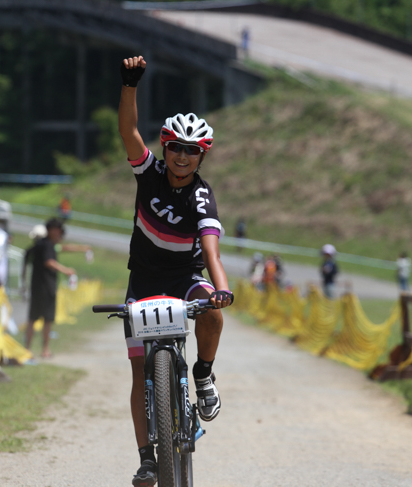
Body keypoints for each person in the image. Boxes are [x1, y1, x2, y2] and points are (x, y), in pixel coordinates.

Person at [119, 55, 234, 486]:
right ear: (165, 148)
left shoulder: (202, 197)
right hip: (143, 281)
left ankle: (202, 373)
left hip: (185, 279)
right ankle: (148, 457)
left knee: (212, 310)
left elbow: (212, 251)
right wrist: (129, 84)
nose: (182, 156)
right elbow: (128, 132)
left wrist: (220, 291)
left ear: (201, 157)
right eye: (176, 147)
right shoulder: (148, 173)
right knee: (138, 373)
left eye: (192, 151)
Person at [23, 218, 90, 358]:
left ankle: (27, 349)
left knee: (33, 318)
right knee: (46, 319)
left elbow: (64, 247)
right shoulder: (47, 245)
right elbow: (49, 262)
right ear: (53, 230)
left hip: (37, 287)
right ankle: (45, 349)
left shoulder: (43, 245)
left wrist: (81, 248)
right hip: (46, 287)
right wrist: (66, 270)